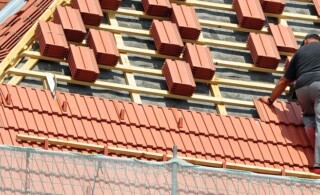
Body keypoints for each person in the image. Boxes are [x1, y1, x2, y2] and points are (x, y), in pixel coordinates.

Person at [259, 33, 320, 174]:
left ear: (305, 42)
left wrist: (270, 100)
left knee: (310, 117)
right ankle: (319, 164)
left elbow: (284, 81)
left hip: (301, 89)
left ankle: (310, 127)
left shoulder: (299, 54)